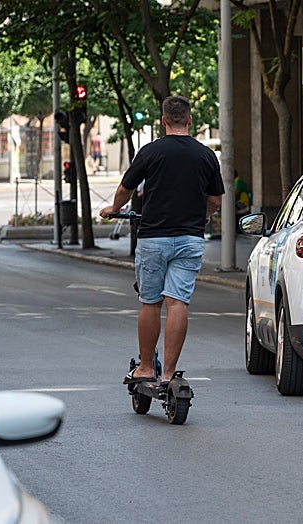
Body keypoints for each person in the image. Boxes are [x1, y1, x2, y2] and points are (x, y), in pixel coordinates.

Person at [100, 95, 224, 385]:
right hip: (190, 238)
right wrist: (203, 215)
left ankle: (145, 368)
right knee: (178, 302)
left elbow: (125, 188)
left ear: (163, 121)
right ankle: (168, 374)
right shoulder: (206, 155)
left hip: (153, 238)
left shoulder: (150, 152)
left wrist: (114, 209)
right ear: (190, 120)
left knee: (151, 302)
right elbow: (215, 200)